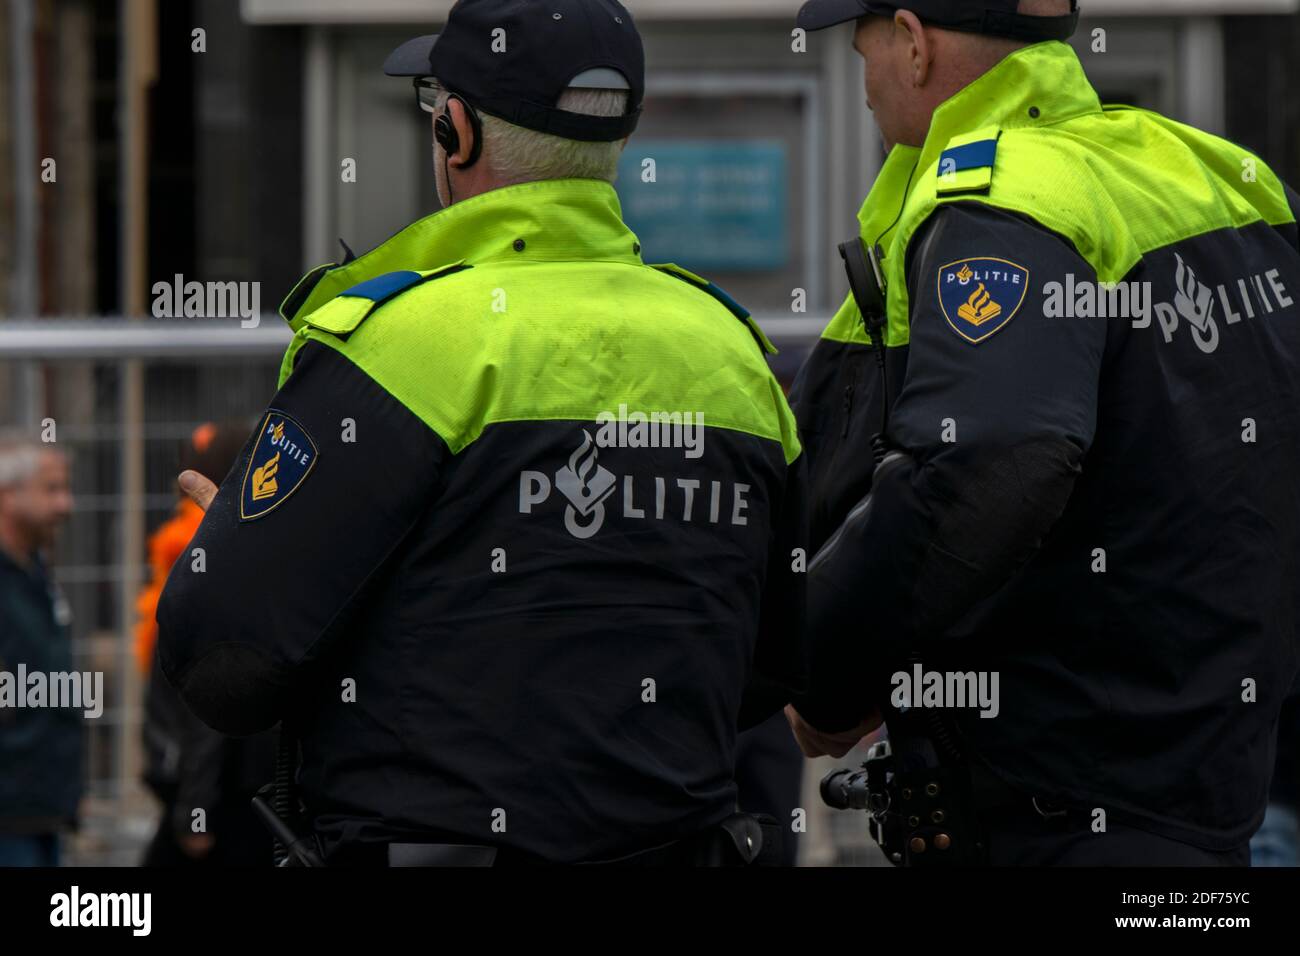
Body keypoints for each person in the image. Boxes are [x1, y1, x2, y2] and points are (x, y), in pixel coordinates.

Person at [158, 0, 806, 867]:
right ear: (619, 140)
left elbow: (223, 665)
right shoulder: (734, 352)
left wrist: (238, 553)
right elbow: (776, 651)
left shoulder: (397, 341)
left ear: (455, 131)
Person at [786, 0, 1300, 866]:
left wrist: (830, 674)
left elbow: (987, 461)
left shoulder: (1001, 200)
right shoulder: (1220, 173)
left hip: (1048, 815)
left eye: (864, 45)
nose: (865, 79)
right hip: (1207, 801)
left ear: (913, 44)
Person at [136, 423, 276, 867]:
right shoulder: (259, 543)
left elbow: (209, 700)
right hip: (245, 787)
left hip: (226, 793)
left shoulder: (203, 551)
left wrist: (194, 809)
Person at [0, 436, 77, 867]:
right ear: (9, 495)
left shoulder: (35, 573)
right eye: (51, 489)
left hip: (38, 811)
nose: (66, 505)